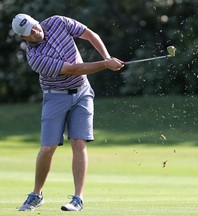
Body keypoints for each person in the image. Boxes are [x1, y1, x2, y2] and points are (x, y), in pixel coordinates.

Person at [11, 13, 124, 211]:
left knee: (79, 142)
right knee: (48, 148)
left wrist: (107, 57)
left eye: (35, 27)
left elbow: (89, 34)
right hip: (55, 97)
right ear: (24, 38)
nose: (36, 32)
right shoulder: (35, 58)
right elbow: (72, 69)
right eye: (30, 33)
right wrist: (106, 65)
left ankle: (78, 199)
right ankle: (36, 194)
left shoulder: (57, 22)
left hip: (82, 93)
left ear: (37, 21)